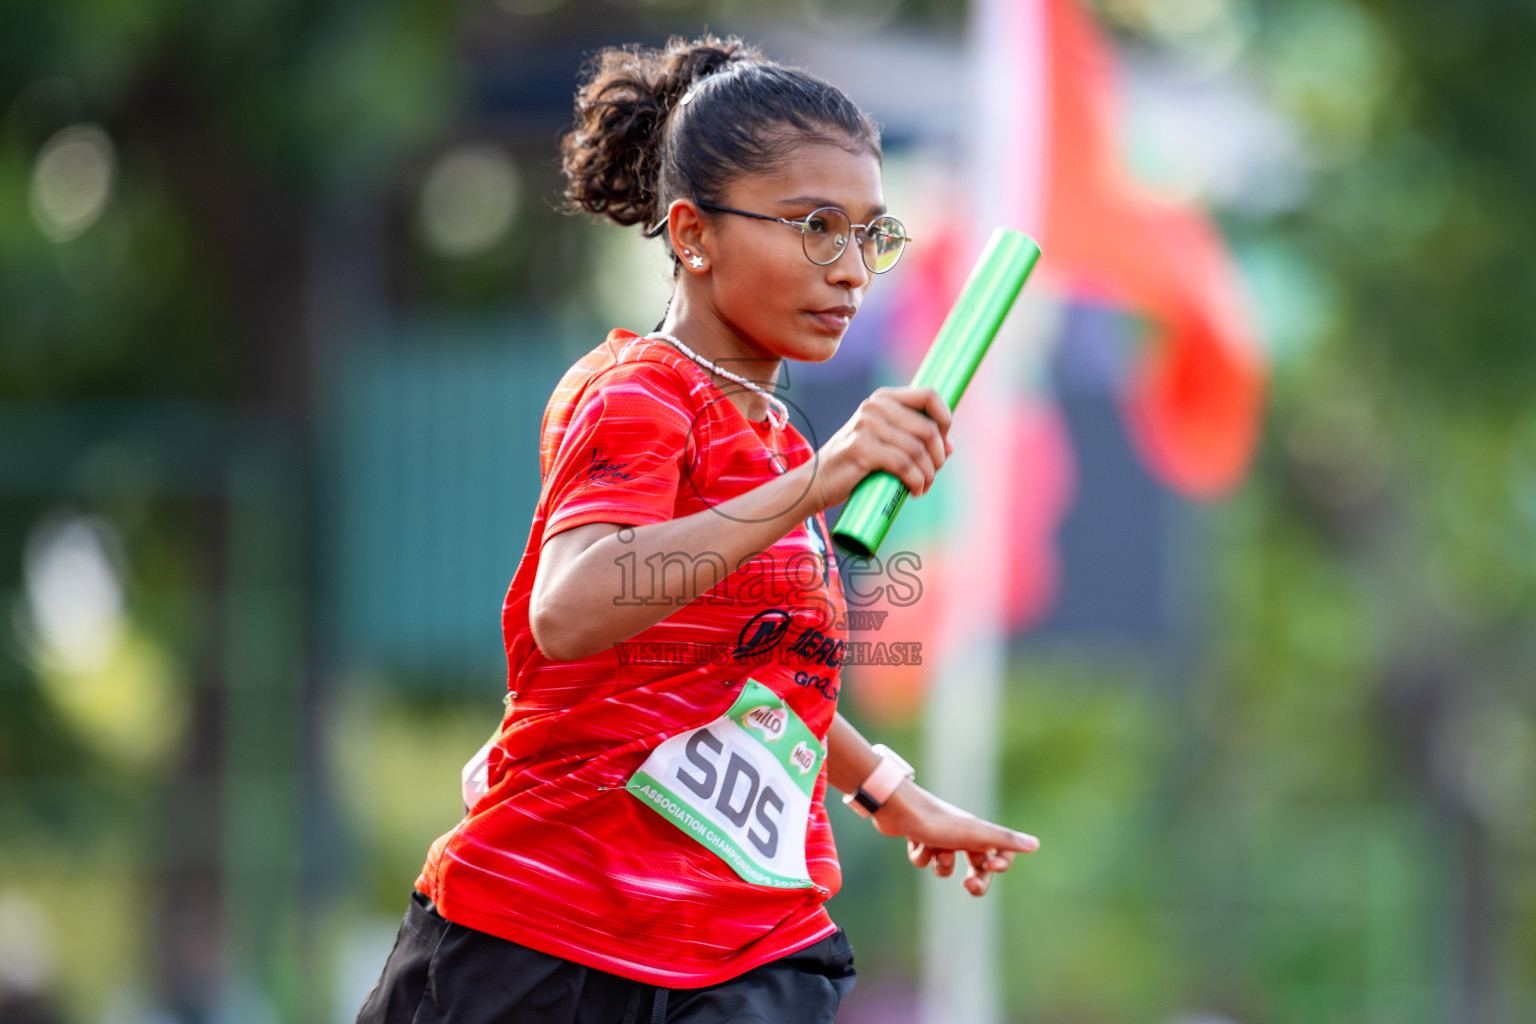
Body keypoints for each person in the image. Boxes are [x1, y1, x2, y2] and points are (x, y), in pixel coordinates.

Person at [356, 33, 1040, 1024]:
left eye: (870, 235)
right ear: (692, 233)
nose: (852, 270)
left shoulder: (770, 436)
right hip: (549, 940)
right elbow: (575, 605)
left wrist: (894, 791)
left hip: (747, 947)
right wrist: (821, 482)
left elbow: (758, 669)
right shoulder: (641, 394)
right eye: (815, 226)